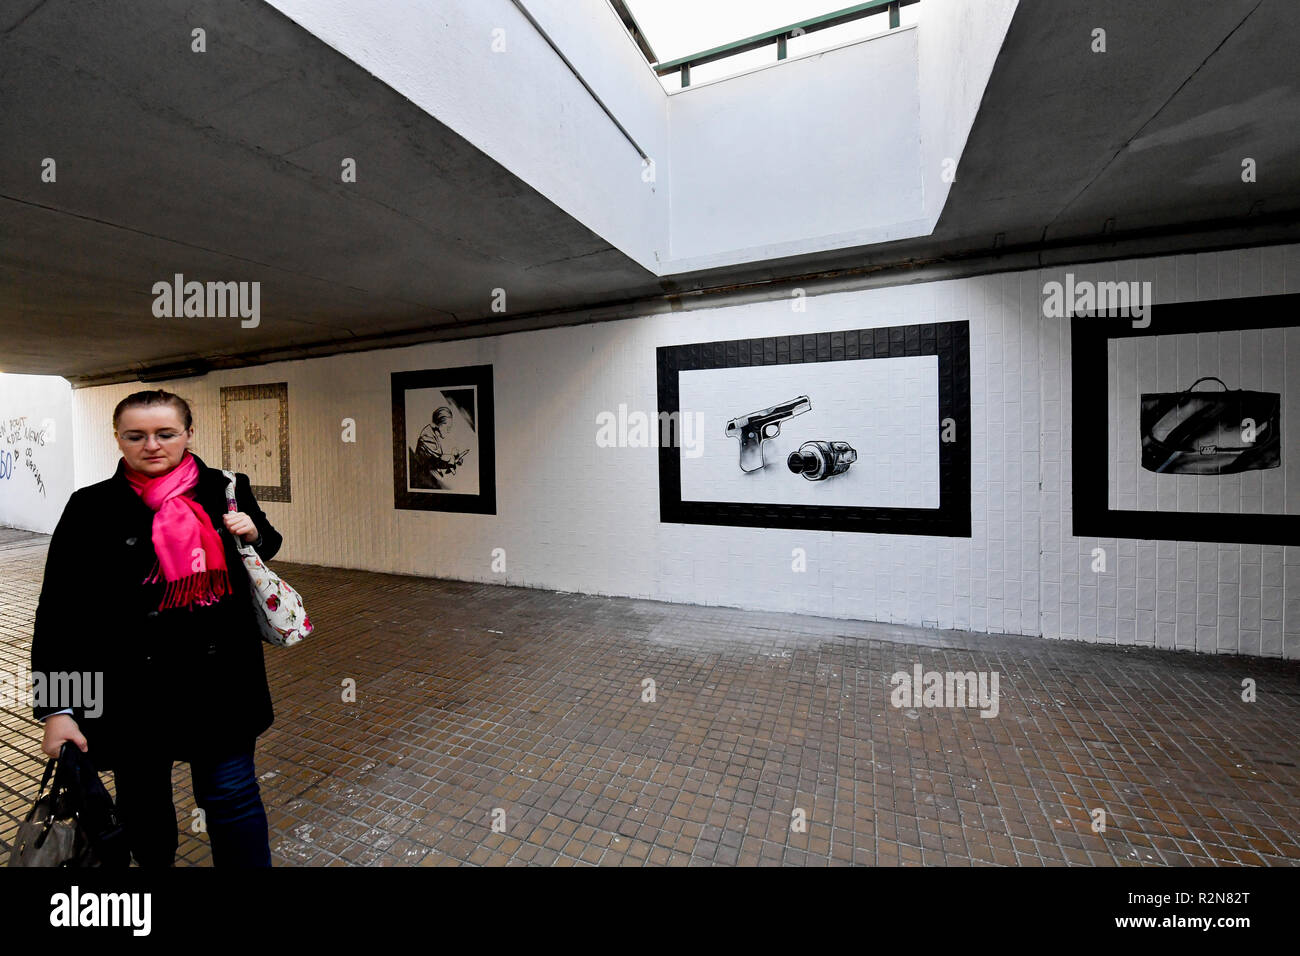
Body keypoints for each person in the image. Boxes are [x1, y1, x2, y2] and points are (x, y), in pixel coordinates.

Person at [30, 389, 283, 867]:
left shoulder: (225, 487)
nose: (152, 445)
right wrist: (58, 709)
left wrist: (254, 532)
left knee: (232, 799)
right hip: (131, 691)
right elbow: (59, 613)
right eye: (136, 435)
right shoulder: (89, 506)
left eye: (166, 433)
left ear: (188, 433)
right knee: (144, 812)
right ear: (118, 439)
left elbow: (264, 546)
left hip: (219, 684)